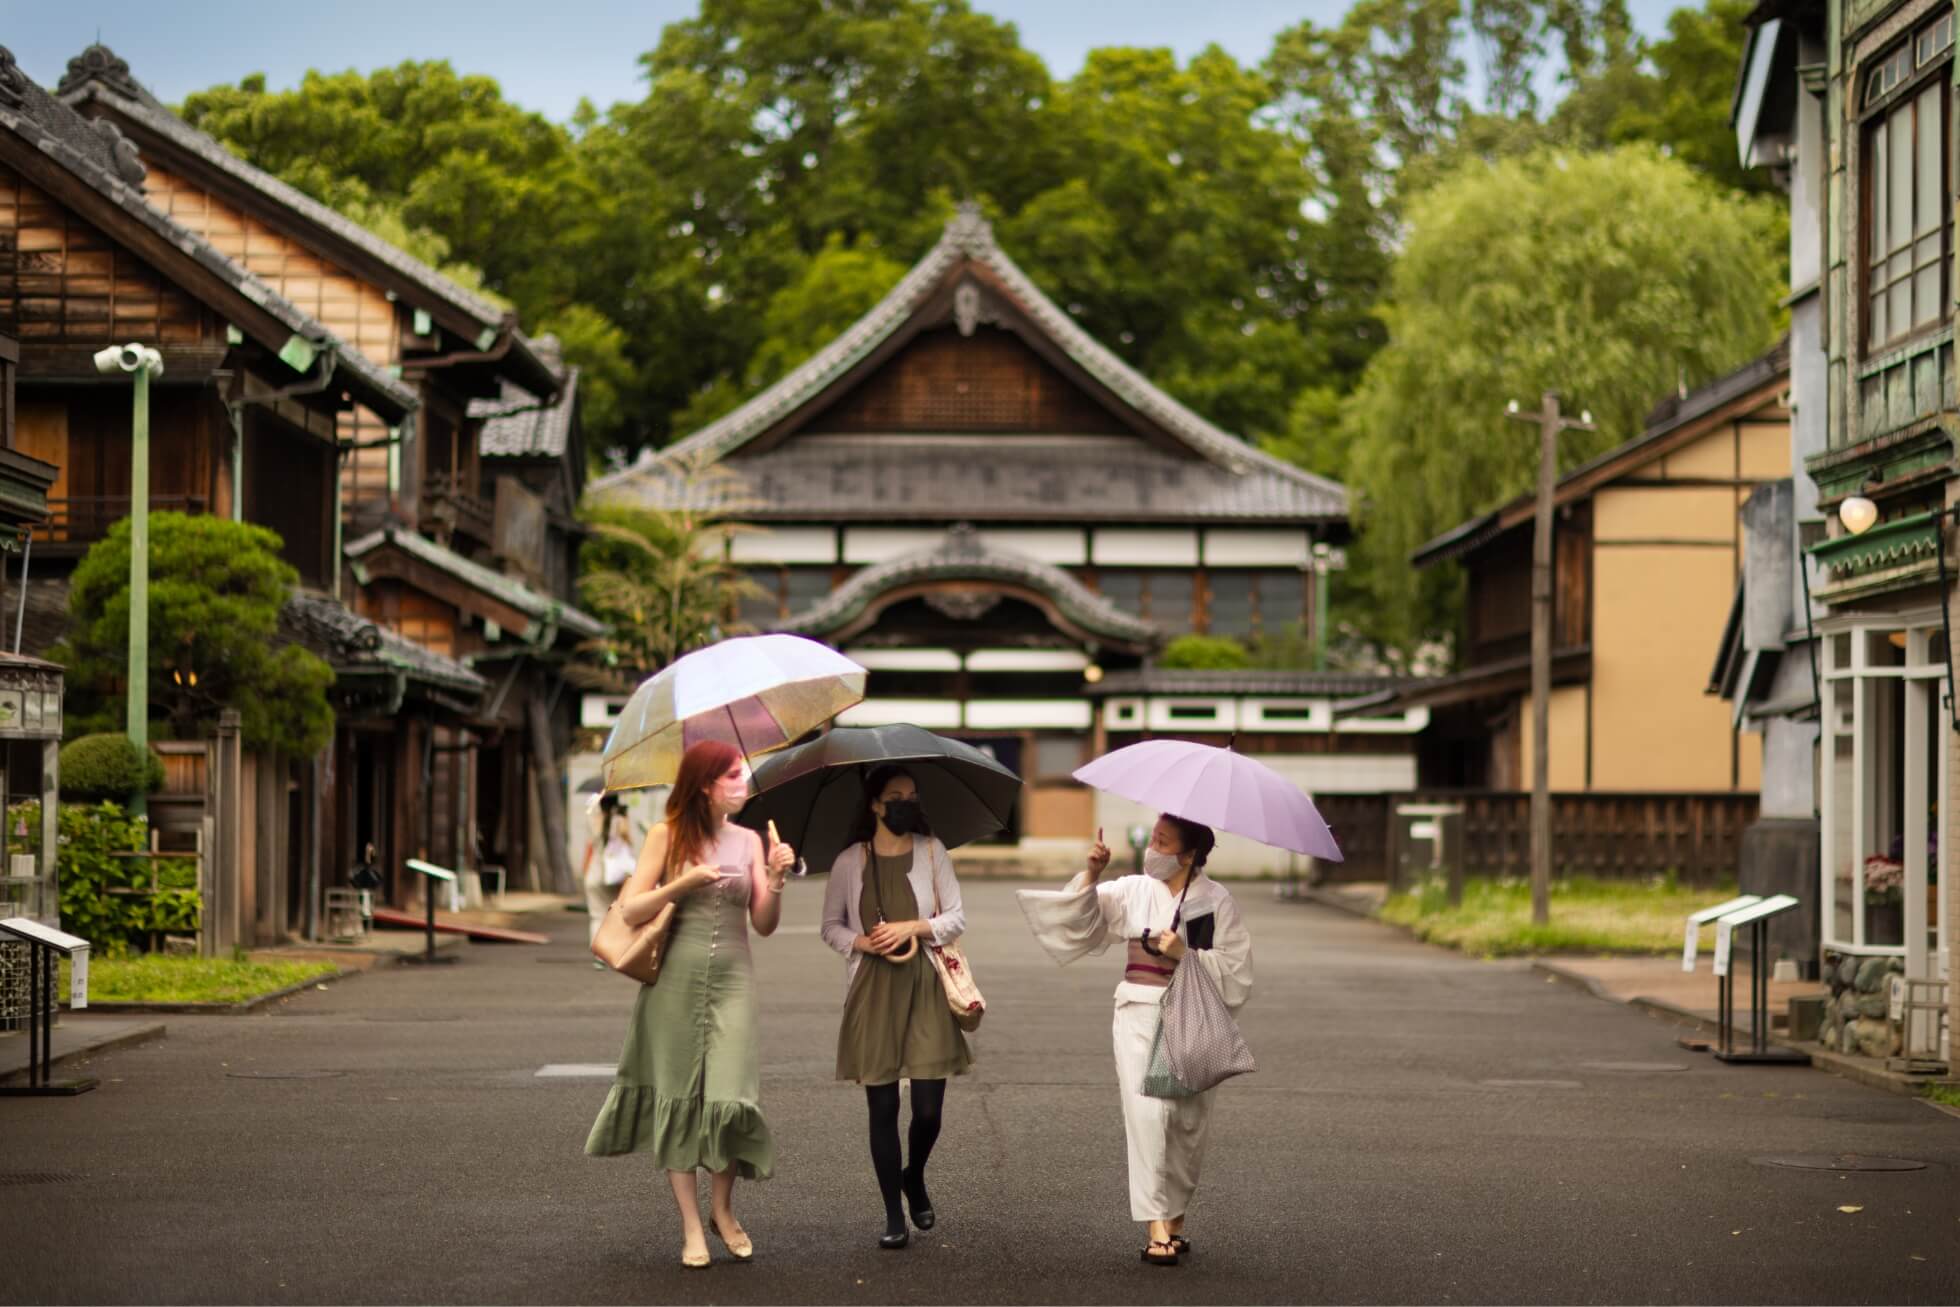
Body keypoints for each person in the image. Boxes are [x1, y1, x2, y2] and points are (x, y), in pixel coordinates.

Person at [585, 740, 797, 1268]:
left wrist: (775, 879)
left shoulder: (749, 840)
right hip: (674, 983)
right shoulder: (666, 834)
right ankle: (691, 1228)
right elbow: (631, 909)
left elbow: (764, 925)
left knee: (731, 1098)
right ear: (705, 785)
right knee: (678, 1098)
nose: (743, 784)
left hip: (733, 981)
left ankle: (722, 1210)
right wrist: (680, 884)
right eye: (733, 776)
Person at [1016, 814, 1252, 1267]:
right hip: (1138, 1011)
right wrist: (1092, 875)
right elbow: (1083, 919)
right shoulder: (1133, 889)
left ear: (1188, 855)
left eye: (1163, 842)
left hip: (1192, 1015)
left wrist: (1185, 954)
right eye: (1153, 838)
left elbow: (1238, 971)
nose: (1152, 849)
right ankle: (1155, 1225)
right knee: (1147, 1114)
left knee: (1186, 1122)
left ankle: (1175, 1216)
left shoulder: (1216, 901)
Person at [819, 766, 971, 1250]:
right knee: (882, 1106)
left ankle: (914, 1175)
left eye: (912, 795)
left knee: (928, 1110)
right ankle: (892, 1213)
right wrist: (860, 942)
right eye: (895, 796)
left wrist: (913, 927)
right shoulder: (849, 861)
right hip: (872, 988)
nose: (906, 803)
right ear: (875, 804)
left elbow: (956, 917)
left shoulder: (932, 850)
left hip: (925, 984)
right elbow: (830, 926)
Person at [581, 794, 638, 965]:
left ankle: (598, 955)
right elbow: (629, 842)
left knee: (597, 916)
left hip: (595, 874)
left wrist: (584, 870)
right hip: (616, 876)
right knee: (616, 915)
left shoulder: (593, 819)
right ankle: (615, 951)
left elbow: (589, 846)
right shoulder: (620, 820)